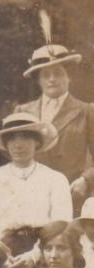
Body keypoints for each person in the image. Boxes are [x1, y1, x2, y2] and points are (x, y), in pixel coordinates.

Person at [0, 113, 70, 268]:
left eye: (26, 138)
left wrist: (34, 256)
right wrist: (1, 254)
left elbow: (62, 225)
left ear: (37, 142)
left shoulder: (55, 179)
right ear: (5, 144)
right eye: (12, 139)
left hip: (45, 253)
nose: (18, 145)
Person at [14, 44, 94, 191]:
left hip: (70, 190)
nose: (52, 79)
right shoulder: (23, 112)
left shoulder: (86, 111)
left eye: (58, 73)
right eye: (45, 75)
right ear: (38, 80)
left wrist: (86, 179)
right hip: (30, 190)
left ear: (69, 76)